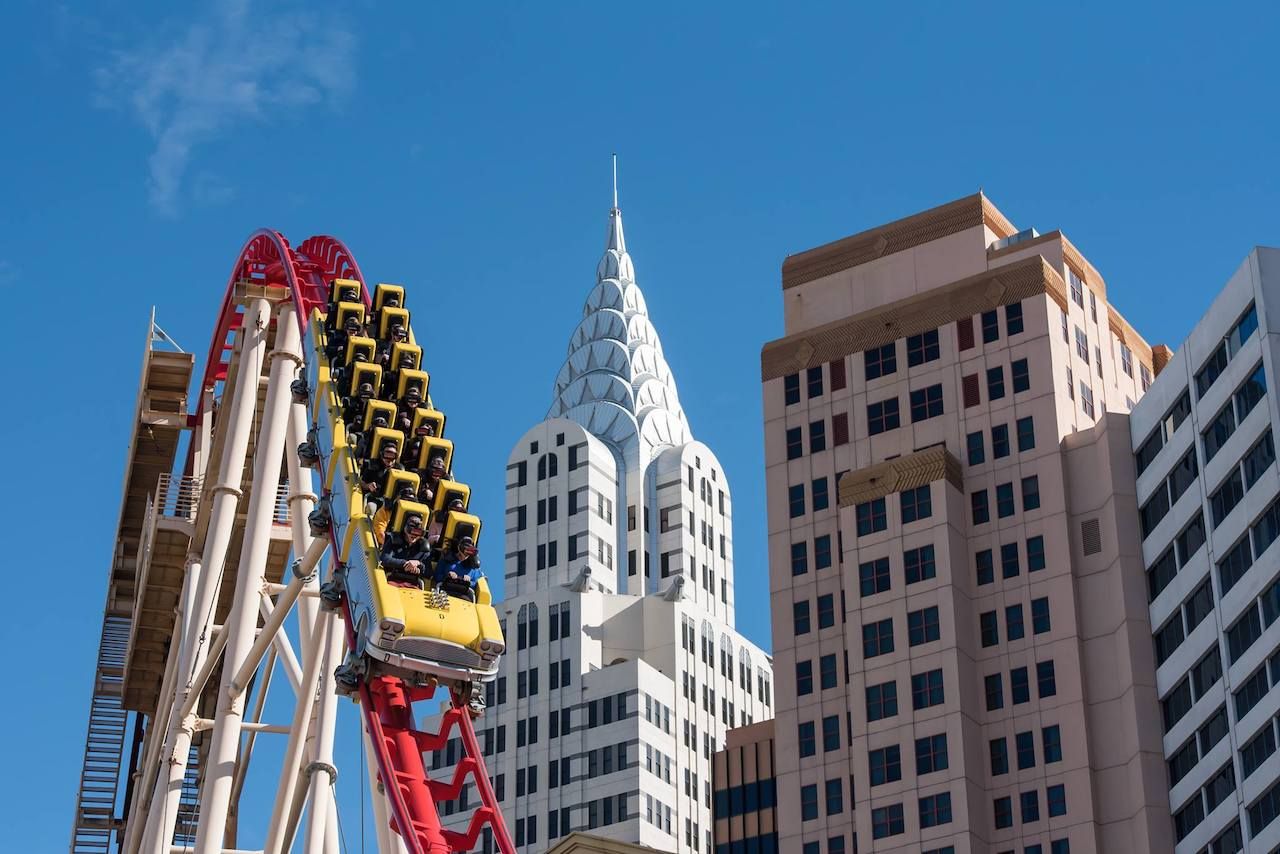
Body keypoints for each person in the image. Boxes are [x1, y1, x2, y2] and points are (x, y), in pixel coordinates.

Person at [379, 512, 431, 588]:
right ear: (405, 529)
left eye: (418, 534)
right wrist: (406, 563)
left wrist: (418, 564)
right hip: (392, 579)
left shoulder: (424, 546)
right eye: (412, 532)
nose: (414, 536)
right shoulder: (393, 539)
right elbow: (384, 559)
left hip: (413, 583)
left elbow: (429, 573)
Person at [359, 440, 402, 509]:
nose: (389, 459)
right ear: (382, 455)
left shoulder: (400, 470)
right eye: (387, 455)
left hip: (391, 503)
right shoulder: (373, 466)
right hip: (374, 498)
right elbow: (362, 483)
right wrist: (369, 486)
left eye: (392, 455)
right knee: (371, 507)